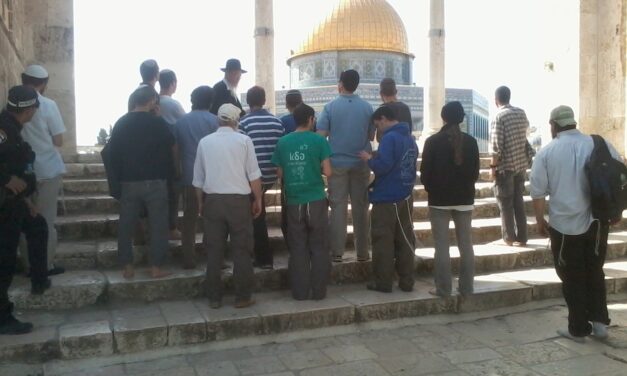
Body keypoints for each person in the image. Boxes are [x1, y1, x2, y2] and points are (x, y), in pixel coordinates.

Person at [530, 105, 622, 343]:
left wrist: (540, 222)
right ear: (573, 122)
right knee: (594, 270)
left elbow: (538, 193)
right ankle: (600, 324)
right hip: (597, 221)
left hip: (564, 226)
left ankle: (578, 328)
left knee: (571, 276)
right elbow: (619, 175)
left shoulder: (547, 153)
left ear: (553, 125)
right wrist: (617, 209)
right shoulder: (599, 143)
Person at [193, 103, 263, 309]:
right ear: (235, 120)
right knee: (241, 250)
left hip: (213, 201)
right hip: (239, 202)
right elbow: (253, 175)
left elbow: (198, 179)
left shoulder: (204, 143)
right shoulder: (244, 141)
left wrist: (200, 203)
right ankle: (243, 296)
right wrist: (257, 199)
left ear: (218, 120)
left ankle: (214, 297)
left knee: (214, 251)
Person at [108, 85, 174, 280]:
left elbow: (113, 155)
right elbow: (170, 145)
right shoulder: (158, 123)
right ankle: (156, 267)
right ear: (152, 101)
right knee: (158, 225)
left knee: (126, 225)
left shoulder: (121, 123)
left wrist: (118, 181)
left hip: (128, 181)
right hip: (155, 181)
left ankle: (127, 266)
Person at [0, 85, 52, 335]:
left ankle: (39, 279)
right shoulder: (3, 129)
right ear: (30, 109)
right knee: (4, 259)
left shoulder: (13, 129)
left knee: (38, 225)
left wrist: (27, 200)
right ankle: (2, 317)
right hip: (4, 206)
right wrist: (4, 179)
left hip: (14, 202)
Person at [272, 104, 332, 300]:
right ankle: (319, 291)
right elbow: (328, 171)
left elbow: (279, 172)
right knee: (319, 247)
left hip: (294, 201)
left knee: (298, 248)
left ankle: (299, 292)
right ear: (311, 119)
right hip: (316, 200)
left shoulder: (283, 142)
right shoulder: (319, 141)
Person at [420, 101, 480, 297]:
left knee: (442, 246)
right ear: (462, 118)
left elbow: (425, 175)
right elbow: (474, 173)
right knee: (466, 244)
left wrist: (433, 190)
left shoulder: (433, 142)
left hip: (439, 200)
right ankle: (467, 288)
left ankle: (444, 288)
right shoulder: (471, 142)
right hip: (464, 199)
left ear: (443, 117)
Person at [317, 69, 375, 263]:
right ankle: (362, 253)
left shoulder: (330, 107)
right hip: (361, 162)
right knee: (361, 207)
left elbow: (321, 136)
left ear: (341, 84)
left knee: (338, 207)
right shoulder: (367, 108)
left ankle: (337, 252)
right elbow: (371, 136)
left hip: (337, 164)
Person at [358, 105, 418, 293]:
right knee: (405, 240)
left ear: (384, 119)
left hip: (386, 199)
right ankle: (407, 280)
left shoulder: (390, 138)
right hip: (405, 196)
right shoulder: (410, 139)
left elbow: (383, 167)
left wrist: (369, 159)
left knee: (383, 241)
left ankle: (383, 282)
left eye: (377, 125)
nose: (378, 130)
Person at [19, 64, 66, 276]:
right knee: (46, 220)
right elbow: (59, 139)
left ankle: (29, 265)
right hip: (47, 168)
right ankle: (45, 266)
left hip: (21, 172)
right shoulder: (48, 105)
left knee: (24, 220)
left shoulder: (10, 104)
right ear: (44, 83)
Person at [239, 86, 284, 269]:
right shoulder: (276, 122)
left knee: (256, 216)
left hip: (252, 177)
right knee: (258, 213)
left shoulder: (244, 123)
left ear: (248, 102)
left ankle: (263, 258)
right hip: (270, 174)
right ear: (264, 100)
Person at [174, 86, 219, 268]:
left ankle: (189, 258)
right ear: (210, 102)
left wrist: (177, 171)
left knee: (189, 218)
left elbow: (176, 150)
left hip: (189, 175)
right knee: (214, 219)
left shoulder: (180, 123)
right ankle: (213, 256)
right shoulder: (216, 121)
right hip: (212, 176)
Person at [490, 86, 529, 246]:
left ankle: (509, 237)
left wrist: (493, 168)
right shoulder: (521, 113)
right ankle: (523, 237)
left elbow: (496, 146)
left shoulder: (499, 117)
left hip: (505, 167)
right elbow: (526, 136)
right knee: (518, 201)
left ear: (496, 100)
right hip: (520, 165)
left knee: (505, 202)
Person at [158, 69, 185, 240]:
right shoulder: (173, 104)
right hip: (172, 153)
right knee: (173, 193)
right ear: (173, 84)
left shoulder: (153, 101)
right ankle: (171, 227)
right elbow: (184, 123)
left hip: (155, 155)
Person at [278, 89, 303, 239]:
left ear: (286, 104)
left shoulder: (282, 121)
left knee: (288, 206)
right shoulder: (310, 120)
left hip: (288, 171)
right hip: (308, 170)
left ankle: (291, 237)